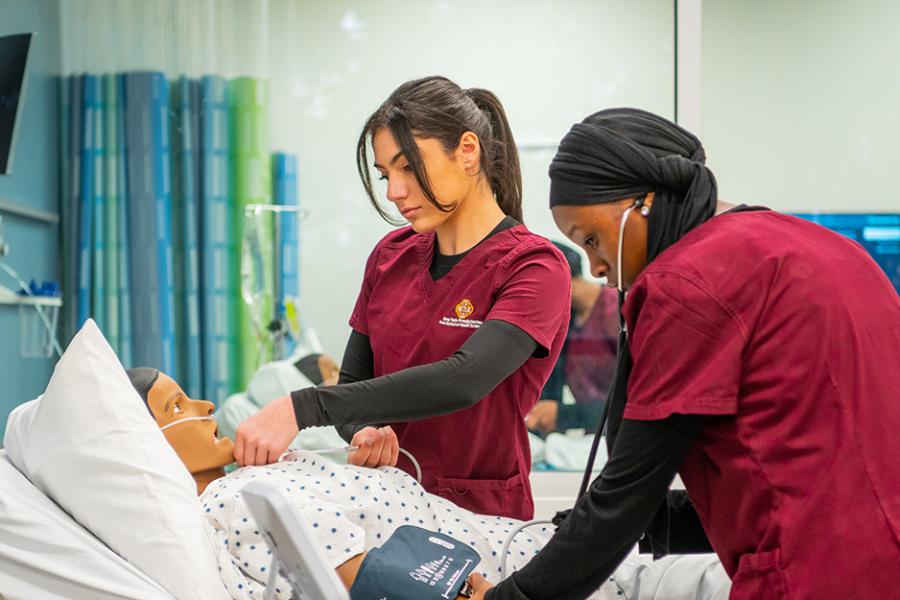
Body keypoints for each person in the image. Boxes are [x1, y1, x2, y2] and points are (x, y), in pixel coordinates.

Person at [475, 108, 900, 600]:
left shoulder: (685, 282)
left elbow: (626, 494)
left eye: (591, 239)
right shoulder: (828, 248)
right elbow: (807, 476)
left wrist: (508, 598)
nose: (594, 269)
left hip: (814, 578)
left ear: (645, 201)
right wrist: (641, 525)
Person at [235, 76, 571, 520]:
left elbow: (464, 380)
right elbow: (354, 383)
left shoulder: (535, 267)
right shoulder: (390, 257)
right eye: (385, 174)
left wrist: (303, 407)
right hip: (383, 506)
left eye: (408, 167)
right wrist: (364, 431)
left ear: (468, 150)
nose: (394, 191)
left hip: (480, 516)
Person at [126, 367, 729, 600]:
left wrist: (367, 478)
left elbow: (364, 532)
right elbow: (389, 582)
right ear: (140, 443)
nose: (206, 404)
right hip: (532, 580)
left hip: (541, 553)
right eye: (179, 404)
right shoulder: (234, 501)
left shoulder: (265, 475)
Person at [526, 241, 618, 436]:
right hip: (591, 435)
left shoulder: (615, 312)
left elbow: (634, 400)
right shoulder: (566, 319)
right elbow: (550, 385)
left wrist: (564, 415)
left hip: (621, 434)